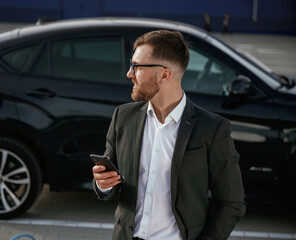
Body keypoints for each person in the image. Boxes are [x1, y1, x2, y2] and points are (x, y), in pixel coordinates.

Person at [92, 30, 245, 240]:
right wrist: (103, 184)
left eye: (137, 66)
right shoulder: (123, 117)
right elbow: (110, 185)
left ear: (165, 75)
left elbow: (232, 203)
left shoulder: (213, 129)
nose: (129, 73)